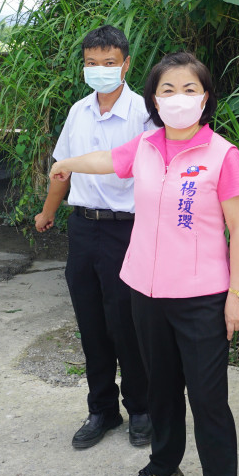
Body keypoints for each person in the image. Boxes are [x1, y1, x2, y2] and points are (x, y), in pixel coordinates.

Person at [50, 51, 239, 476]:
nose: (178, 98)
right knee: (161, 389)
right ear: (154, 101)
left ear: (205, 98)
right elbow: (107, 160)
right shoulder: (143, 147)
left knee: (208, 401)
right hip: (145, 291)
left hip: (201, 297)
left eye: (190, 89)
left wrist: (236, 295)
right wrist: (69, 164)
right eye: (167, 90)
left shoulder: (223, 154)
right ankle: (165, 469)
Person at [35, 25, 152, 450]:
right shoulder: (78, 112)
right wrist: (48, 212)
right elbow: (62, 169)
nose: (99, 71)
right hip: (83, 228)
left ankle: (141, 408)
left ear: (126, 64)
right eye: (91, 64)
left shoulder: (145, 114)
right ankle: (102, 409)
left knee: (127, 323)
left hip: (127, 229)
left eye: (108, 63)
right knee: (91, 323)